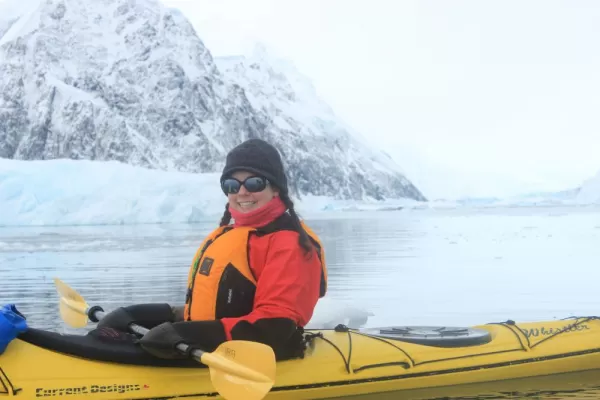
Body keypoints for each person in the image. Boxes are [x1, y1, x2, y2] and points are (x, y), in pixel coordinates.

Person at [95, 138, 328, 361]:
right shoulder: (232, 233)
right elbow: (220, 307)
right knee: (103, 337)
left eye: (254, 183)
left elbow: (273, 326)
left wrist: (186, 334)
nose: (242, 192)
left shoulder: (290, 244)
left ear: (276, 188)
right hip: (209, 349)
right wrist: (149, 316)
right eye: (232, 185)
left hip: (259, 356)